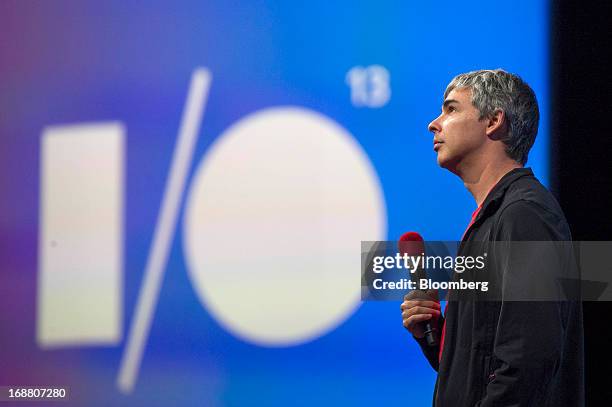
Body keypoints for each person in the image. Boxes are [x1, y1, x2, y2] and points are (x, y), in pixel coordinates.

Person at [400, 69, 584, 406]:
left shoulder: (524, 216)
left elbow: (529, 362)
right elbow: (484, 367)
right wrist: (436, 336)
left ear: (494, 121)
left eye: (451, 109)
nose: (434, 124)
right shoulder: (495, 218)